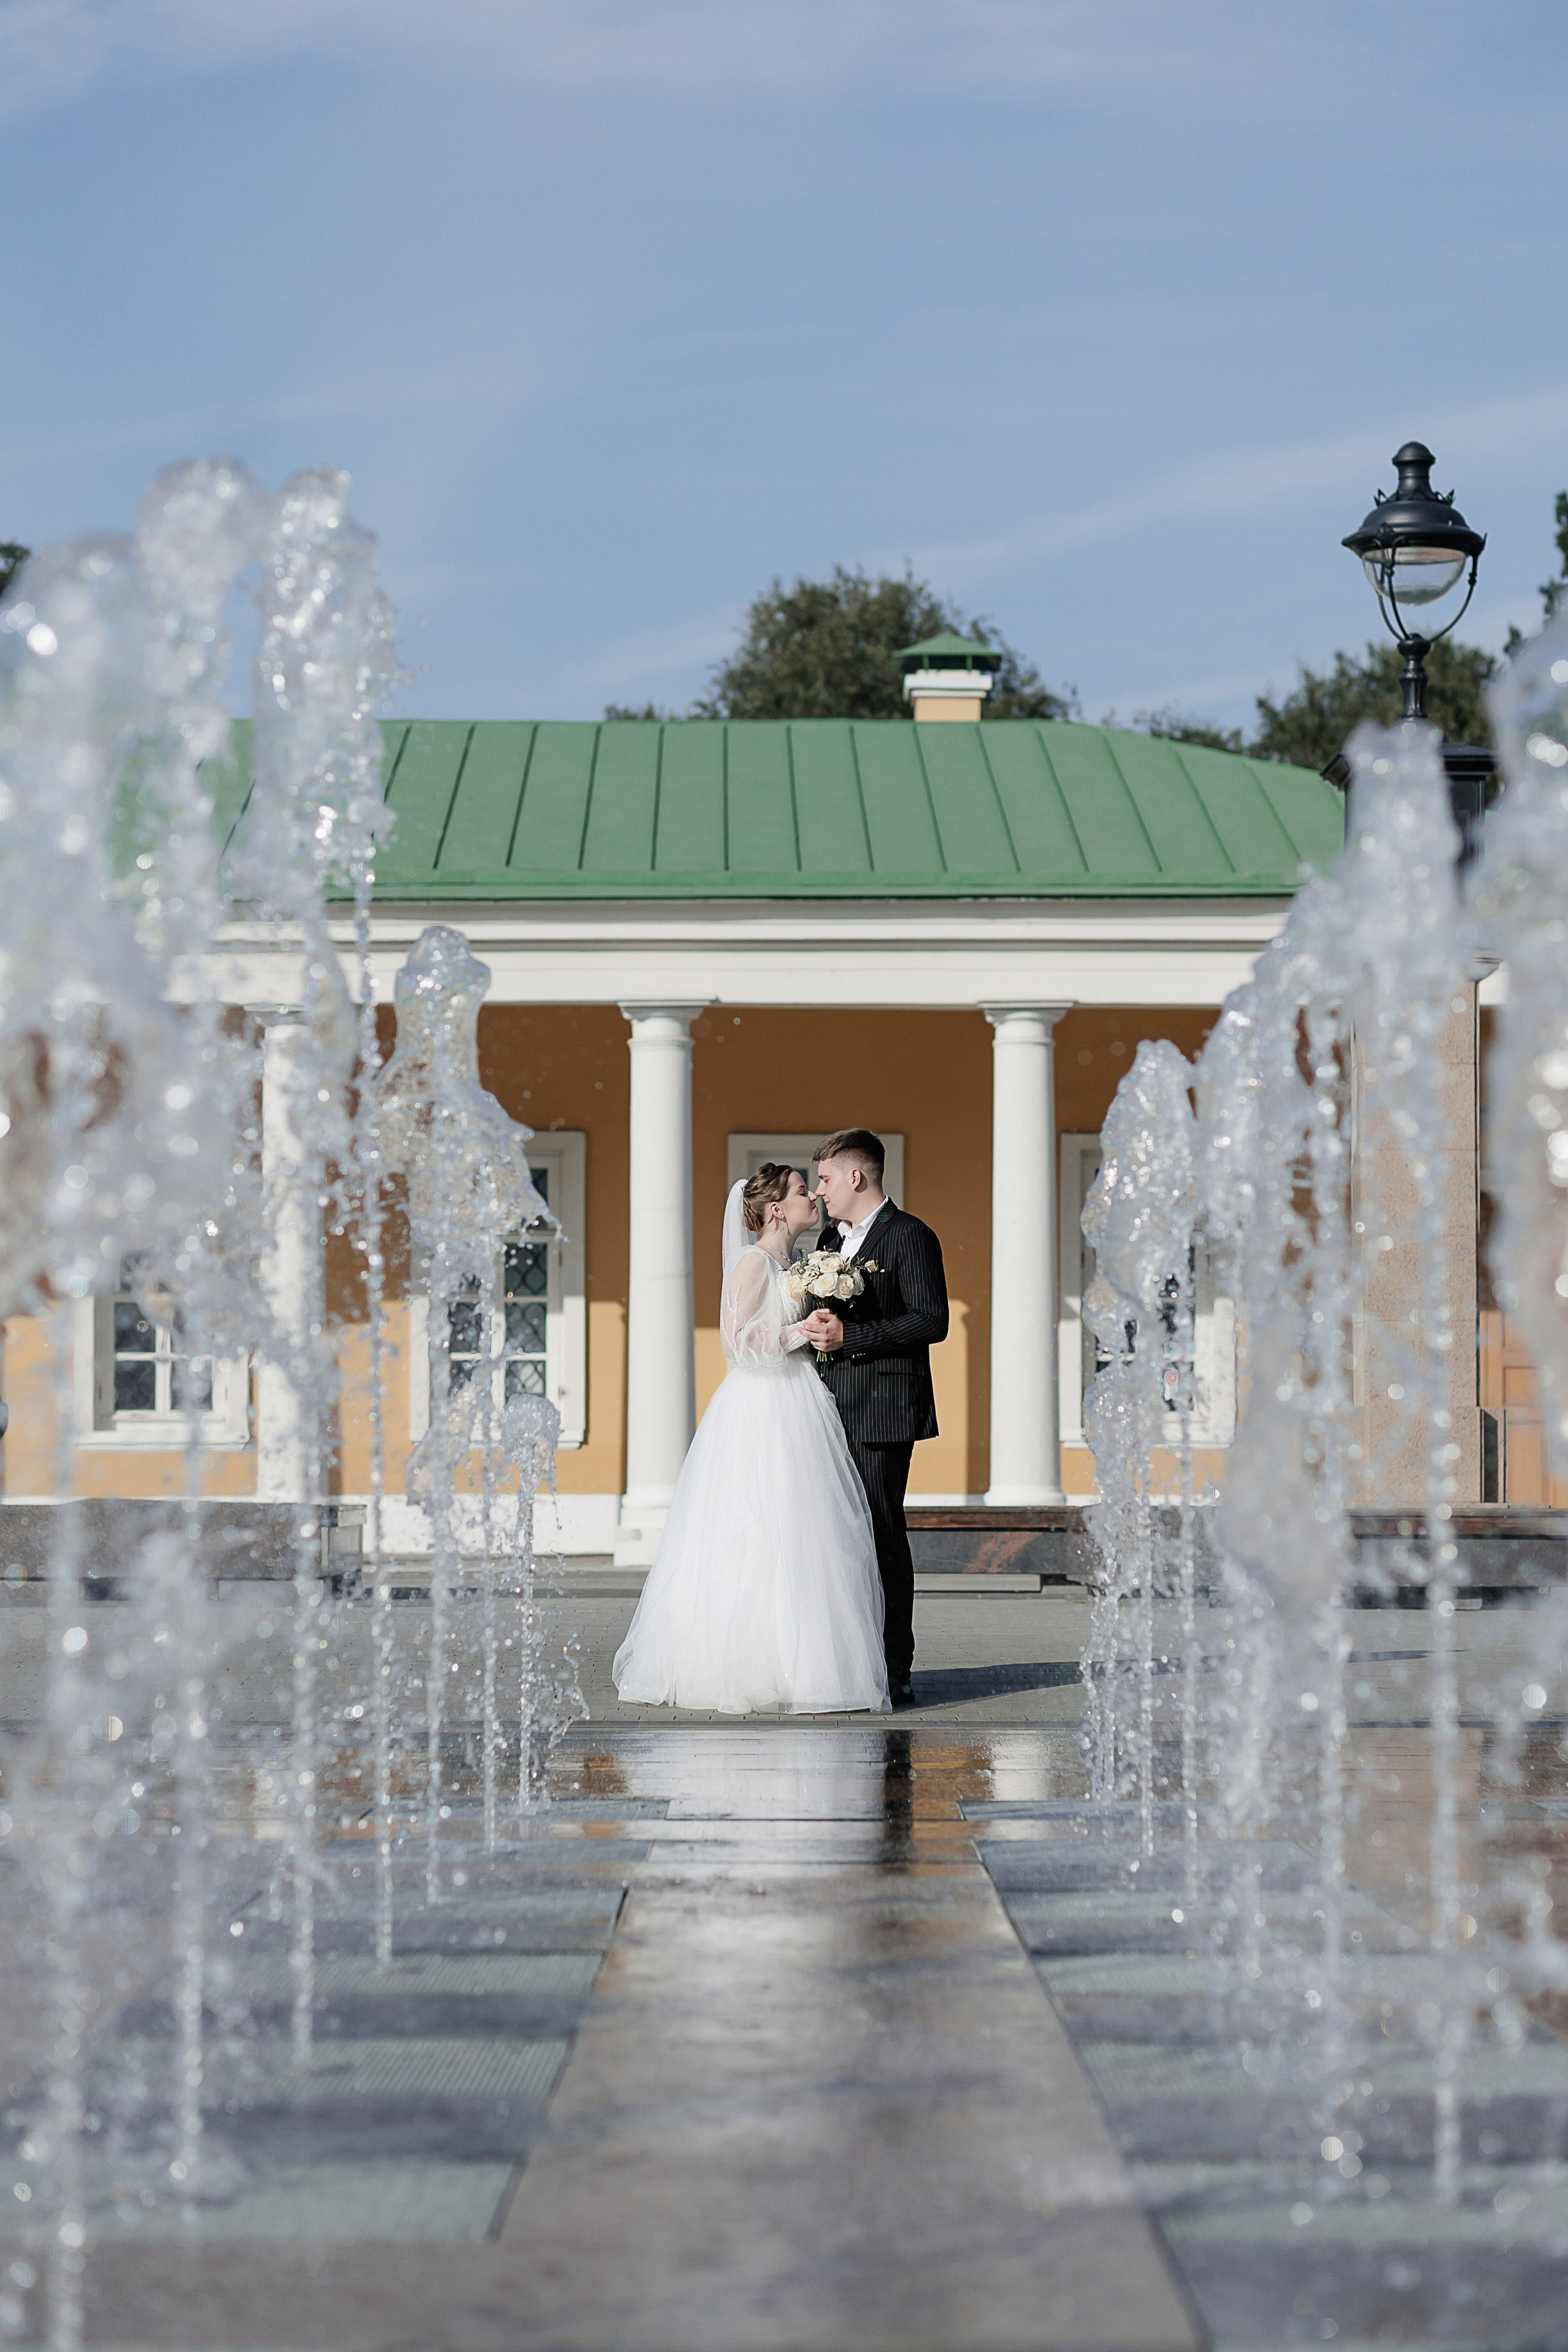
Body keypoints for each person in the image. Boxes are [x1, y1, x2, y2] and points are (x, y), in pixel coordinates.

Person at [612, 1163, 890, 1716]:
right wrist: (797, 1332)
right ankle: (740, 1663)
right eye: (800, 1189)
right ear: (775, 1210)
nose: (813, 1195)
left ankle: (802, 1663)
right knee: (755, 1527)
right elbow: (736, 1345)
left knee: (802, 1531)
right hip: (759, 1406)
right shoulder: (751, 1261)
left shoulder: (799, 1263)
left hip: (800, 1400)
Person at [807, 1128, 949, 1708]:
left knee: (880, 1531)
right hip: (827, 1405)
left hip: (883, 1407)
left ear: (855, 1177)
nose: (819, 1192)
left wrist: (853, 1337)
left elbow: (931, 1320)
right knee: (838, 1536)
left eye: (824, 1178)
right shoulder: (827, 1238)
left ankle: (894, 1666)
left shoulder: (910, 1235)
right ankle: (849, 1659)